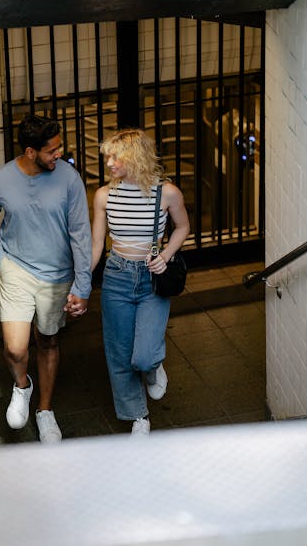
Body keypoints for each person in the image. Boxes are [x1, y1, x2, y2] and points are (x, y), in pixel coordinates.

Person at [0, 114, 92, 443]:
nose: (60, 154)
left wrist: (82, 286)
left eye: (59, 148)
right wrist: (0, 261)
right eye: (52, 151)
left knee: (49, 341)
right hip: (17, 271)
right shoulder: (0, 181)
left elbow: (81, 234)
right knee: (15, 349)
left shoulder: (69, 179)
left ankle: (44, 410)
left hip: (57, 276)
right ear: (30, 152)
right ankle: (22, 386)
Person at [91, 128, 190, 436]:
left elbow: (183, 227)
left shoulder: (167, 192)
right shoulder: (104, 196)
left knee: (144, 354)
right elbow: (96, 246)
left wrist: (166, 254)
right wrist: (80, 285)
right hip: (117, 275)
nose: (108, 162)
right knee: (119, 353)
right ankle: (138, 417)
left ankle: (152, 367)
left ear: (135, 157)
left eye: (114, 156)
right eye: (107, 155)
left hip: (152, 277)